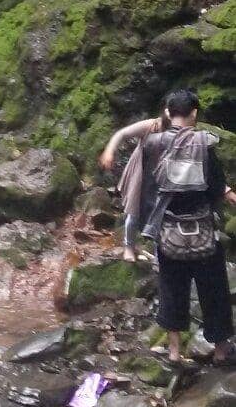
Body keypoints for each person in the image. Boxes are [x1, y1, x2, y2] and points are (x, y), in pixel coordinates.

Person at [133, 88, 236, 365]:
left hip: (168, 231)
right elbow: (215, 185)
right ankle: (221, 350)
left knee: (171, 289)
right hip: (203, 230)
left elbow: (147, 188)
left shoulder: (153, 144)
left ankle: (174, 351)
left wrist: (144, 229)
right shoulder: (204, 143)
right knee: (214, 290)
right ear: (195, 113)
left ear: (168, 112)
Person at [99, 113, 167, 260]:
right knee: (134, 211)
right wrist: (109, 151)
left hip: (162, 173)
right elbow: (122, 133)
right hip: (141, 171)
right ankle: (129, 247)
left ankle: (159, 255)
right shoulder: (151, 125)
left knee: (161, 214)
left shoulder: (180, 129)